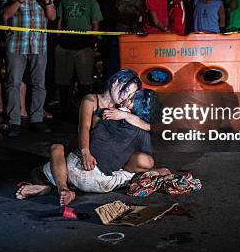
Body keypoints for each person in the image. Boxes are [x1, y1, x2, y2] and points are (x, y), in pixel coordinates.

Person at [16, 71, 169, 205]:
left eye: (130, 96)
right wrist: (85, 152)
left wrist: (125, 115)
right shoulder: (91, 100)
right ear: (116, 82)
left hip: (102, 166)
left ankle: (56, 187)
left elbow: (151, 126)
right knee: (57, 152)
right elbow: (84, 127)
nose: (125, 97)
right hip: (84, 148)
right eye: (126, 91)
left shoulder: (122, 108)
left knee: (53, 166)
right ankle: (61, 188)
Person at [2, 0, 56, 137]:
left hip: (39, 43)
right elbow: (5, 15)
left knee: (39, 84)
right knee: (13, 83)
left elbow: (53, 17)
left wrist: (47, 0)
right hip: (17, 43)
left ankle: (37, 119)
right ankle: (14, 121)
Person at [56, 0, 103, 108]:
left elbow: (95, 25)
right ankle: (66, 108)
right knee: (64, 81)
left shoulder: (91, 2)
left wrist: (93, 43)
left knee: (85, 81)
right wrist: (59, 40)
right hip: (65, 46)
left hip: (84, 47)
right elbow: (59, 22)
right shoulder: (65, 0)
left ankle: (85, 109)